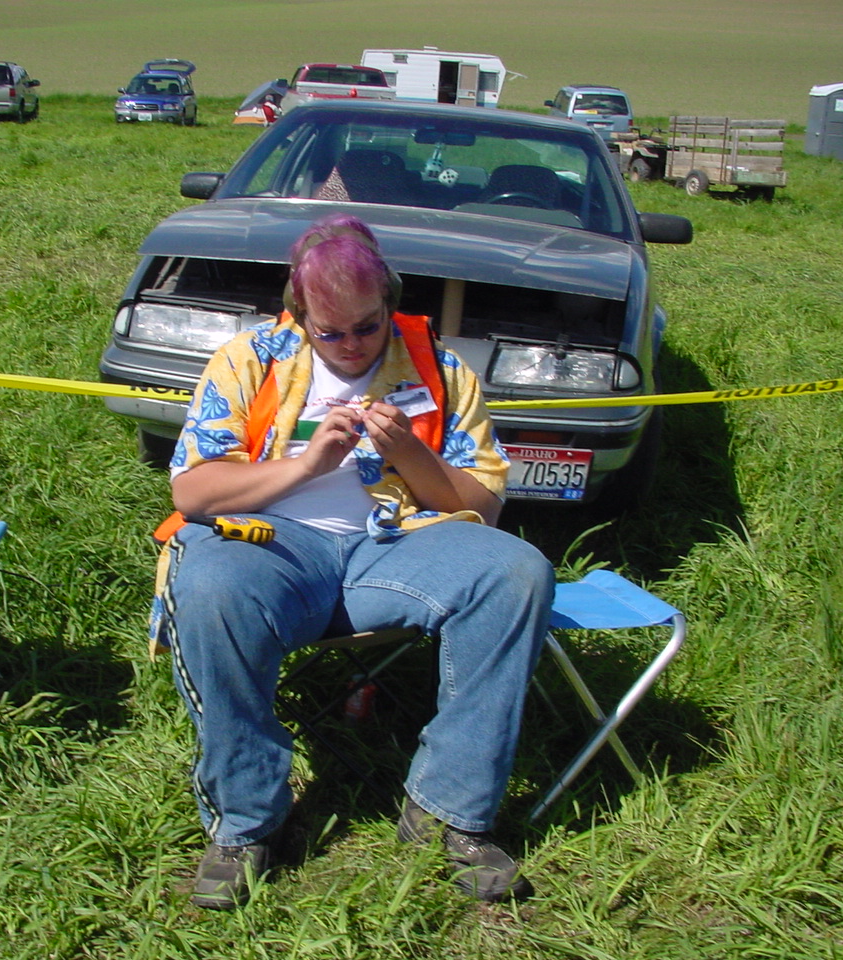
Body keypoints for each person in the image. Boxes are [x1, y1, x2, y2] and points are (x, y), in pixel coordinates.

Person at [149, 214, 554, 909]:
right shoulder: (249, 360)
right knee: (210, 582)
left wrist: (410, 453)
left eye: (367, 327)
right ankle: (246, 822)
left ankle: (450, 810)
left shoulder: (439, 368)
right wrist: (306, 465)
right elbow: (193, 492)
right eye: (328, 332)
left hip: (394, 544)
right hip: (271, 546)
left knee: (515, 571)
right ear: (299, 311)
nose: (350, 345)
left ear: (389, 302)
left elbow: (482, 508)